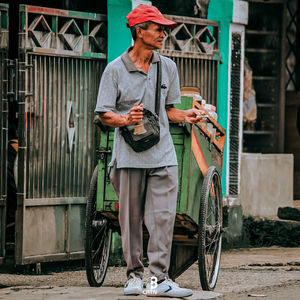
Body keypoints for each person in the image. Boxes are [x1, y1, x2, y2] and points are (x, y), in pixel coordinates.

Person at [95, 4, 204, 298]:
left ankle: (158, 281)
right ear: (139, 31)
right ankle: (133, 276)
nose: (164, 34)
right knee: (130, 220)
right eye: (158, 29)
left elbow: (168, 111)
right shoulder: (115, 70)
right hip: (128, 157)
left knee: (163, 217)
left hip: (163, 156)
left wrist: (186, 115)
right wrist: (125, 119)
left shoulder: (168, 66)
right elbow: (104, 114)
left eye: (165, 29)